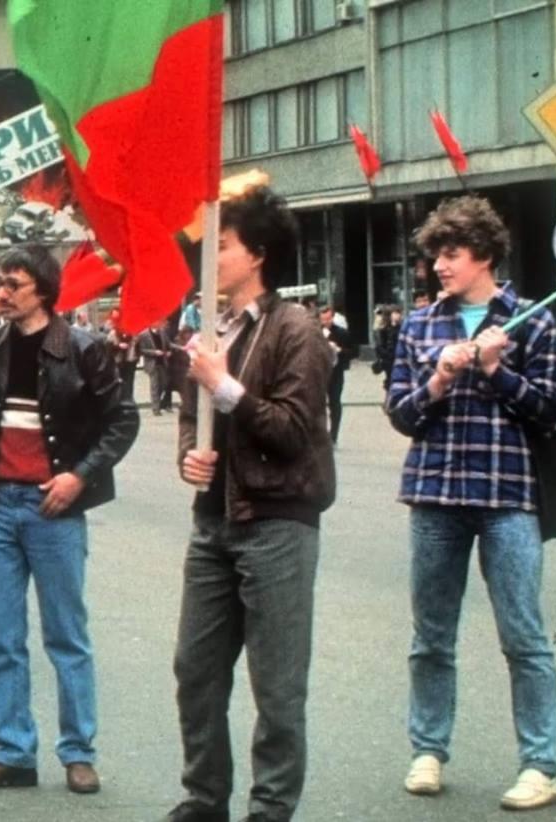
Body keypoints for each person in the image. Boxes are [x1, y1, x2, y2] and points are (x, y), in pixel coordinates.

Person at [0, 243, 139, 796]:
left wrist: (78, 476)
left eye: (12, 283)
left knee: (66, 636)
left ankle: (78, 753)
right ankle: (13, 752)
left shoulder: (82, 349)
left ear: (42, 292)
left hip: (54, 509)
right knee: (2, 638)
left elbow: (122, 422)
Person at [386, 195, 556, 811]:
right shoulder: (418, 325)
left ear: (484, 255)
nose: (439, 264)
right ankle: (428, 750)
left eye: (452, 253)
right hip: (435, 493)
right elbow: (401, 416)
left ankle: (540, 764)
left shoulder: (530, 321)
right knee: (431, 636)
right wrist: (437, 379)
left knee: (524, 636)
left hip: (508, 496)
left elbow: (547, 412)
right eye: (436, 253)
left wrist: (493, 370)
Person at [165, 185, 335, 822]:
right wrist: (191, 454)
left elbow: (293, 428)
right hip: (214, 522)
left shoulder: (296, 329)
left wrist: (225, 385)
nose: (213, 257)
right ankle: (205, 796)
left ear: (258, 254)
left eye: (225, 246)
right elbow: (191, 415)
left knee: (278, 684)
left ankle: (270, 809)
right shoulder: (210, 327)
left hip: (277, 523)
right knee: (196, 668)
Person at [318, 305, 355, 445]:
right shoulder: (315, 332)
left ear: (332, 317)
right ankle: (320, 433)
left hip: (336, 373)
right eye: (323, 319)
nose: (325, 322)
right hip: (319, 373)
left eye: (328, 319)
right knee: (318, 405)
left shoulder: (342, 333)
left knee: (335, 403)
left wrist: (339, 349)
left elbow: (353, 352)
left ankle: (333, 434)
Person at [138, 321, 172, 415]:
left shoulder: (162, 332)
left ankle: (157, 402)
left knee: (164, 383)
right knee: (155, 385)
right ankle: (156, 408)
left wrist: (169, 351)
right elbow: (141, 350)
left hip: (162, 362)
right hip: (152, 363)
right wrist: (154, 352)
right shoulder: (144, 334)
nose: (158, 323)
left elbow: (168, 344)